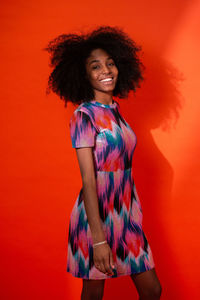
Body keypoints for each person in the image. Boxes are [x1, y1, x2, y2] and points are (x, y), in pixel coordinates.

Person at [46, 26, 162, 300]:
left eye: (110, 63)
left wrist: (133, 213)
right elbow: (89, 180)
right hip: (95, 217)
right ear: (83, 75)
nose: (106, 71)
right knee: (94, 292)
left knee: (152, 290)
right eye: (95, 66)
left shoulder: (115, 110)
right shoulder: (84, 116)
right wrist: (98, 239)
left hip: (125, 213)